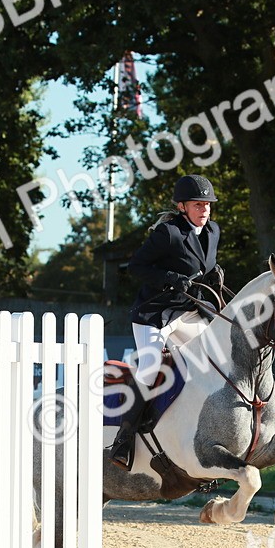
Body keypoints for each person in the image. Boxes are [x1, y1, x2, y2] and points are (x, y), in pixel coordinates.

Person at [111, 174, 225, 468]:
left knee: (213, 357)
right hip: (155, 315)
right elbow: (136, 266)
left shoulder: (212, 231)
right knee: (149, 369)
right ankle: (124, 439)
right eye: (198, 205)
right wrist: (169, 279)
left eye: (208, 204)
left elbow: (203, 266)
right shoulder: (168, 233)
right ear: (182, 207)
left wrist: (214, 276)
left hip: (187, 312)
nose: (205, 210)